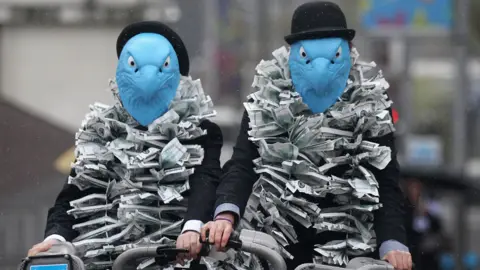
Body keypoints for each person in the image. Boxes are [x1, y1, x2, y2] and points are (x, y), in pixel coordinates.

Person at [201, 2, 412, 270]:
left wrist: (393, 244)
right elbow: (242, 165)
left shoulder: (372, 108)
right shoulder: (263, 104)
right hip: (274, 248)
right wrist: (226, 215)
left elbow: (386, 183)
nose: (320, 70)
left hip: (346, 251)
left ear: (348, 53)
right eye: (307, 56)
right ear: (290, 54)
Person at [27, 21, 223, 267]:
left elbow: (206, 181)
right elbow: (73, 195)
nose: (148, 77)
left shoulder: (201, 132)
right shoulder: (100, 132)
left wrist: (192, 227)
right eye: (134, 65)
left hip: (173, 257)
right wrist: (56, 238)